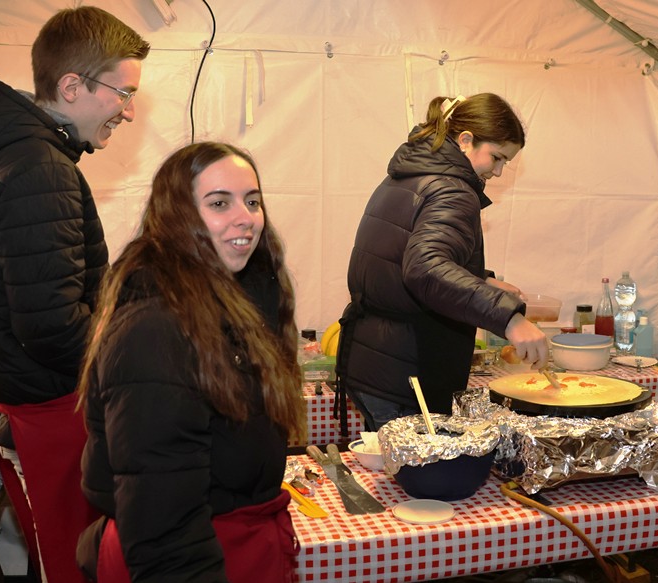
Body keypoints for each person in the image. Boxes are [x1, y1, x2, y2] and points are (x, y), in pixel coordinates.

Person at [0, 7, 149, 582]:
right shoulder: (39, 168)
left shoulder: (6, 151)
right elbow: (52, 325)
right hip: (47, 407)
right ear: (73, 87)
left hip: (16, 395)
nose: (129, 110)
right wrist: (129, 358)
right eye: (123, 93)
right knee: (73, 562)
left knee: (53, 555)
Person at [77, 142, 307, 583]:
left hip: (235, 545)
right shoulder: (156, 329)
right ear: (177, 216)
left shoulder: (237, 300)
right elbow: (161, 523)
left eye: (252, 201)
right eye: (219, 203)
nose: (246, 217)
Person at [336, 92, 549, 430]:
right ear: (465, 140)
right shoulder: (452, 190)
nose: (498, 171)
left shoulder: (411, 172)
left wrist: (480, 278)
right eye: (496, 157)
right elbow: (425, 268)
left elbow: (401, 254)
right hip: (406, 371)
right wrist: (510, 318)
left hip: (374, 360)